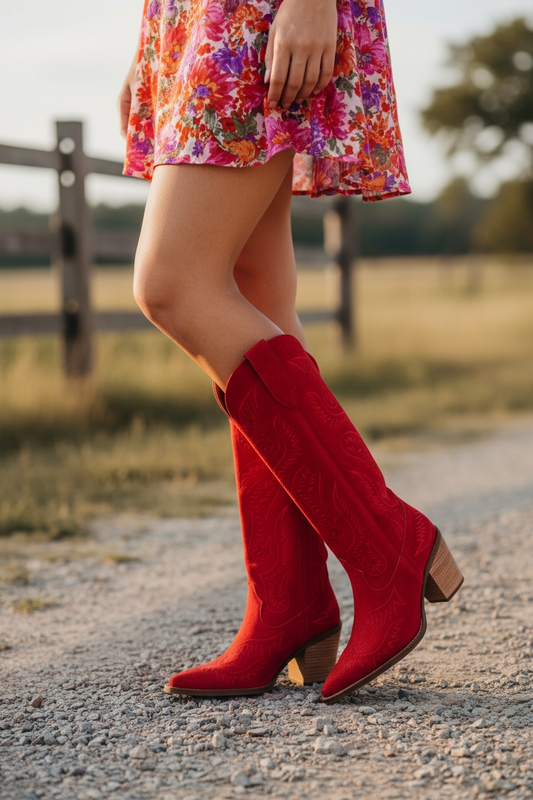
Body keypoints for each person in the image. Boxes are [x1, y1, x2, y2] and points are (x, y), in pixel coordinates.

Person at [118, 0, 463, 703]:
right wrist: (148, 43)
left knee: (171, 285)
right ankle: (288, 606)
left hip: (253, 9)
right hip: (190, 15)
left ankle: (388, 543)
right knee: (252, 289)